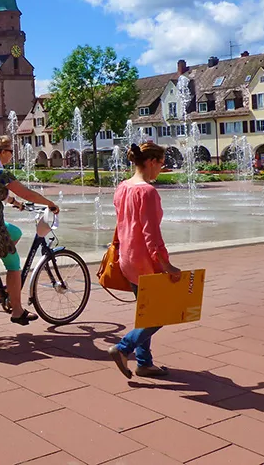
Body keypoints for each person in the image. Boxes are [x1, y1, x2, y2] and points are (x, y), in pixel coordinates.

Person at [0, 135, 60, 325]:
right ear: (2, 153)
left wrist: (16, 204)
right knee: (14, 263)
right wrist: (49, 203)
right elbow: (25, 192)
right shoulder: (1, 173)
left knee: (15, 233)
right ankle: (17, 311)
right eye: (10, 152)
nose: (12, 156)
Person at [108, 142, 180, 379]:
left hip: (127, 258)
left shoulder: (122, 187)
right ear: (150, 162)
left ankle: (144, 363)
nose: (161, 168)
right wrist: (166, 264)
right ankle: (123, 348)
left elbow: (120, 225)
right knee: (162, 314)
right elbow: (151, 234)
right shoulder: (147, 192)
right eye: (161, 163)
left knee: (145, 313)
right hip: (145, 261)